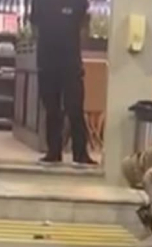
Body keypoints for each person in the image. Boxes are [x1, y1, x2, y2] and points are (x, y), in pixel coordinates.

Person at [30, 0, 96, 166]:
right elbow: (34, 27)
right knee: (51, 108)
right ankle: (53, 152)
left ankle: (80, 153)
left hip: (71, 62)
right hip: (47, 61)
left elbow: (84, 25)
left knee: (75, 108)